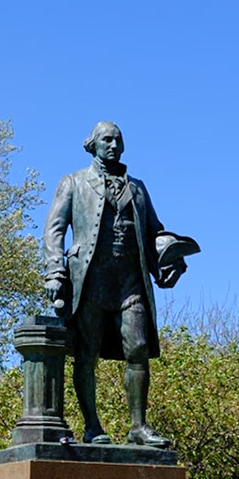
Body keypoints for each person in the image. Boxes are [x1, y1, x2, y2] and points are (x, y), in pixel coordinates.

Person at [42, 121, 196, 446]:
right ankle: (92, 426)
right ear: (93, 145)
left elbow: (156, 231)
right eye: (106, 140)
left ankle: (139, 427)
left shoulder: (138, 189)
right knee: (87, 355)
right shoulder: (73, 183)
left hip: (130, 282)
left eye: (117, 140)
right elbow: (54, 230)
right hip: (91, 282)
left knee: (138, 348)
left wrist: (172, 260)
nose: (113, 145)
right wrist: (55, 272)